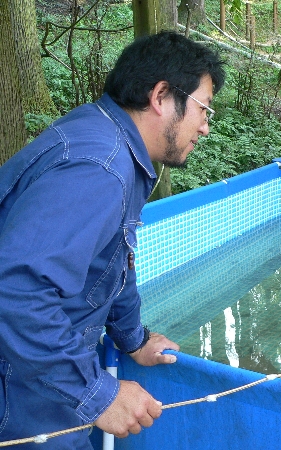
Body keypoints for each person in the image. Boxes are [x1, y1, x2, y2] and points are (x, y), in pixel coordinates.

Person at [0, 31, 225, 448]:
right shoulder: (100, 168)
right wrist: (97, 394)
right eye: (203, 110)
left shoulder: (111, 142)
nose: (206, 128)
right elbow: (16, 288)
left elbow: (111, 259)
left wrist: (133, 338)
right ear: (161, 96)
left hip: (44, 372)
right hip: (24, 387)